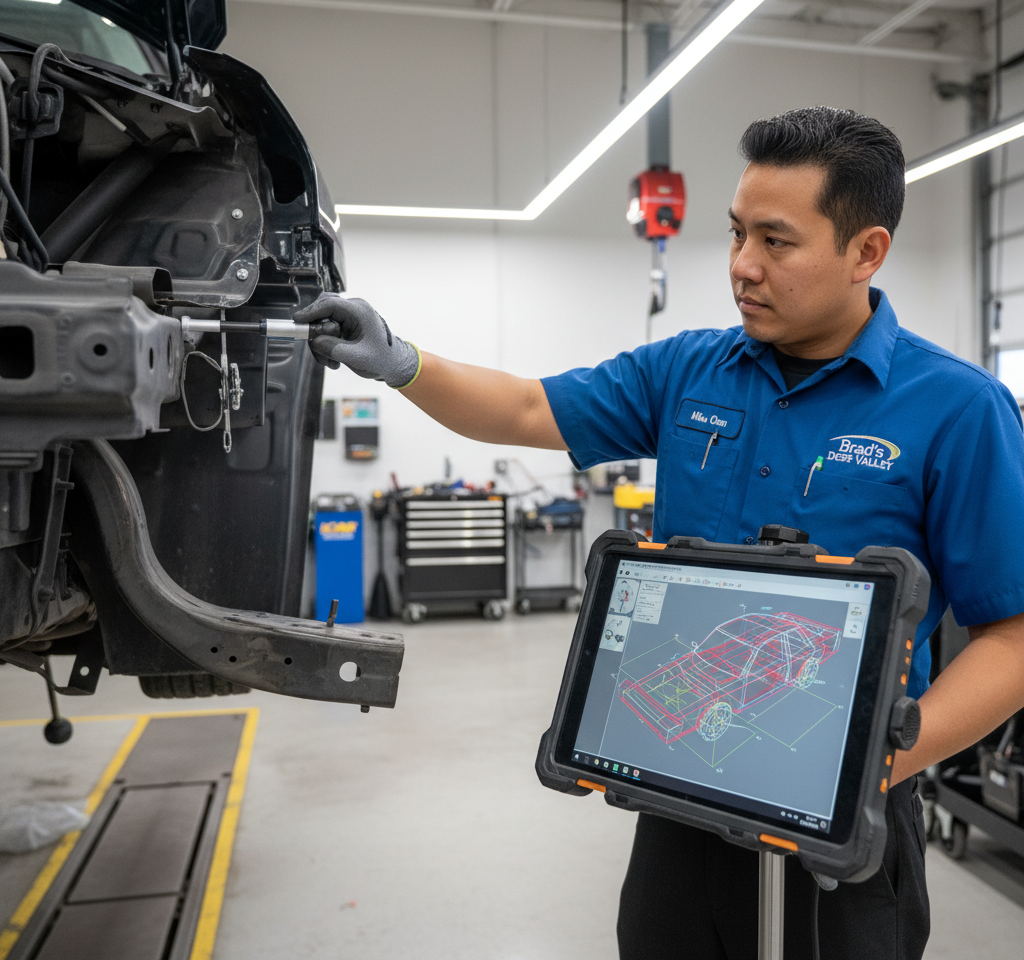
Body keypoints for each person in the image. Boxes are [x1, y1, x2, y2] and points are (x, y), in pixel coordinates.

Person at [294, 107, 1024, 959]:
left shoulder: (959, 410)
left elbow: (1010, 637)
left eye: (777, 242)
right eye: (736, 234)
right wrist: (400, 361)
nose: (743, 267)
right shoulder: (687, 370)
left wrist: (873, 764)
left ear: (866, 251)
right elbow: (529, 406)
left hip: (844, 836)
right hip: (683, 802)